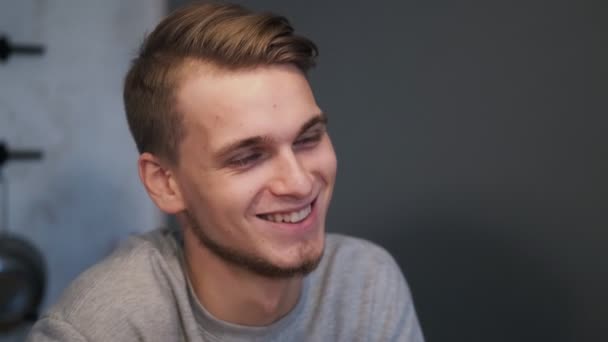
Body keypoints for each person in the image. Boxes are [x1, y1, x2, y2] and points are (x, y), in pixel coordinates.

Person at [27, 2, 424, 341]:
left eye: (308, 138)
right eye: (248, 156)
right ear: (165, 182)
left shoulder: (366, 284)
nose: (299, 181)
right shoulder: (100, 328)